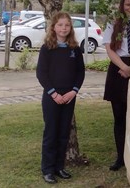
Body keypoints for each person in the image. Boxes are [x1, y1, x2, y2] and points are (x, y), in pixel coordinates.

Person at [36, 12, 85, 184]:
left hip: (69, 97)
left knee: (64, 133)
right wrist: (54, 94)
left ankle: (59, 167)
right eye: (60, 25)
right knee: (51, 133)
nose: (63, 28)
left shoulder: (75, 49)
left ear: (71, 28)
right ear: (53, 27)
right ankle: (48, 169)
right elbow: (41, 73)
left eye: (67, 25)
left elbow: (80, 72)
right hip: (52, 97)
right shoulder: (47, 48)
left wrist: (73, 91)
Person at [103, 0, 130, 171]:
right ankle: (121, 157)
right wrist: (125, 67)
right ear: (122, 5)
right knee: (119, 117)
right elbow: (109, 50)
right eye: (128, 4)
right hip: (118, 69)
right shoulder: (113, 24)